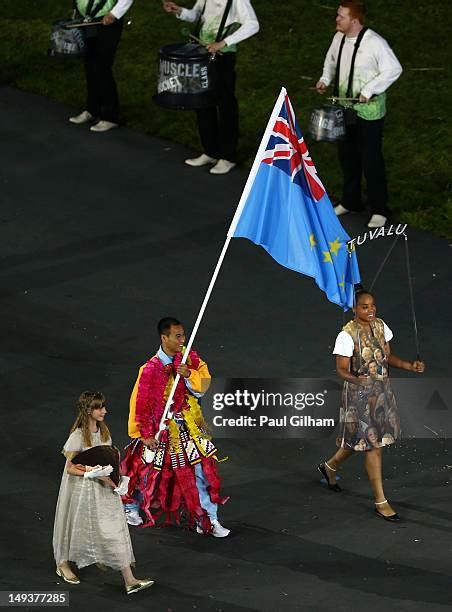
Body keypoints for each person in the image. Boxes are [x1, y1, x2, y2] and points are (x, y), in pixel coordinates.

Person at [318, 289, 425, 522]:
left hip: (382, 393)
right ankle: (381, 502)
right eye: (364, 306)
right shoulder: (346, 336)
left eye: (372, 305)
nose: (371, 310)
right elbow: (341, 369)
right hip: (359, 398)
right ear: (354, 308)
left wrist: (409, 365)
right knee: (374, 445)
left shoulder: (380, 326)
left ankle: (329, 467)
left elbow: (388, 357)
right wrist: (358, 379)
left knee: (360, 441)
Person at [121, 317, 230, 536]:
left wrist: (189, 374)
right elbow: (139, 403)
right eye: (178, 336)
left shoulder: (189, 360)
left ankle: (208, 519)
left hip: (186, 428)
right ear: (165, 338)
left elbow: (204, 387)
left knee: (200, 472)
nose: (183, 340)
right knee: (149, 472)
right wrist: (144, 434)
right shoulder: (149, 369)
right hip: (159, 430)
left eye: (183, 335)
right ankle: (129, 506)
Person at [53, 391, 154, 595]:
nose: (104, 411)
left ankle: (130, 579)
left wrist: (119, 479)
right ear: (89, 410)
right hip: (82, 491)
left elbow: (111, 461)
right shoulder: (78, 436)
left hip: (105, 489)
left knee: (114, 527)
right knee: (74, 525)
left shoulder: (104, 432)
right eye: (100, 408)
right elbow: (70, 468)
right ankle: (62, 563)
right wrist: (92, 472)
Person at [316, 1, 402, 228]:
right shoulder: (338, 38)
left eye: (341, 17)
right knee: (347, 156)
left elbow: (394, 69)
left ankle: (379, 209)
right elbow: (331, 61)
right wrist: (325, 79)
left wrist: (368, 90)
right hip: (345, 108)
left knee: (371, 159)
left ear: (354, 21)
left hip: (369, 113)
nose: (337, 19)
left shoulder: (375, 42)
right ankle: (350, 200)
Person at [162, 0, 259, 175]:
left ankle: (228, 157)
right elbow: (197, 16)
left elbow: (253, 24)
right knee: (202, 101)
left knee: (225, 104)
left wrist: (224, 43)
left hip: (223, 57)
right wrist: (180, 11)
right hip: (202, 54)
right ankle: (210, 151)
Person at [69, 0, 133, 132]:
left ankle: (110, 117)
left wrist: (114, 13)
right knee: (89, 64)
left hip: (108, 19)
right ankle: (92, 109)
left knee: (102, 66)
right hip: (87, 18)